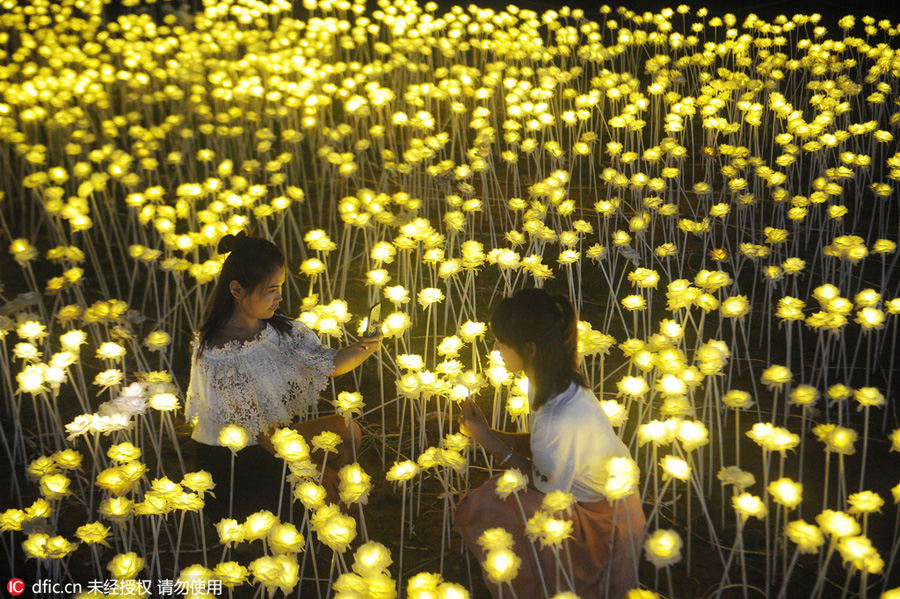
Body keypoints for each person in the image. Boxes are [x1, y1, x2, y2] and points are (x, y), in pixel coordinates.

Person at [455, 288, 645, 599]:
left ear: (529, 348)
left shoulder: (560, 414)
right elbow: (543, 447)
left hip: (602, 522)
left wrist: (486, 440)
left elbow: (546, 486)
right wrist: (492, 433)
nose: (496, 348)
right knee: (493, 499)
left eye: (502, 342)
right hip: (584, 494)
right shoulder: (552, 378)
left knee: (492, 506)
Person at [185, 233, 382, 520]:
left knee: (346, 431)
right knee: (323, 484)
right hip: (237, 460)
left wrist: (366, 347)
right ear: (237, 289)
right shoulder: (220, 354)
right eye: (271, 289)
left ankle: (329, 504)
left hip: (270, 441)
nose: (279, 297)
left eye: (280, 288)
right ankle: (317, 508)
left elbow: (328, 364)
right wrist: (313, 469)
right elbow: (259, 433)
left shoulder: (273, 328)